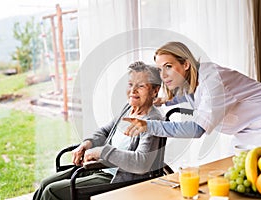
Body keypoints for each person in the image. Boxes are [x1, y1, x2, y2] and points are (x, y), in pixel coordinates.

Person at [124, 41, 261, 152]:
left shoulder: (212, 83)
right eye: (160, 69)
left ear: (185, 63)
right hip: (246, 128)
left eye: (168, 66)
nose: (163, 75)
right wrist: (166, 100)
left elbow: (197, 129)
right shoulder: (196, 76)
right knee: (237, 174)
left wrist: (149, 126)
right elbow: (193, 94)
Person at [33, 61, 164, 200]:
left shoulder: (152, 121)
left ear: (155, 90)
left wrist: (102, 152)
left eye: (141, 86)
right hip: (99, 168)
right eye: (131, 84)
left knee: (52, 191)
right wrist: (87, 144)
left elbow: (142, 163)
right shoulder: (128, 108)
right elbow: (106, 131)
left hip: (119, 179)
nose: (133, 90)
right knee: (44, 184)